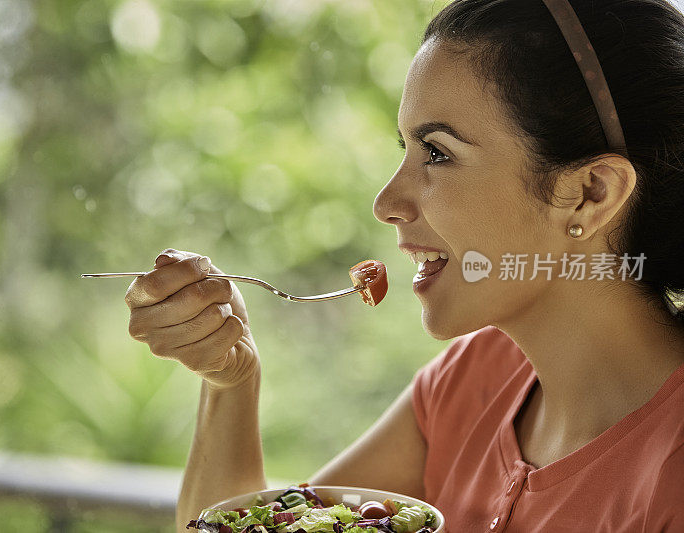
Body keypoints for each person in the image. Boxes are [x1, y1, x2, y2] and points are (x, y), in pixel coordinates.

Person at [124, 0, 684, 530]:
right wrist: (231, 378)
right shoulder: (475, 379)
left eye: (437, 153)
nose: (385, 203)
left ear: (589, 191)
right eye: (406, 151)